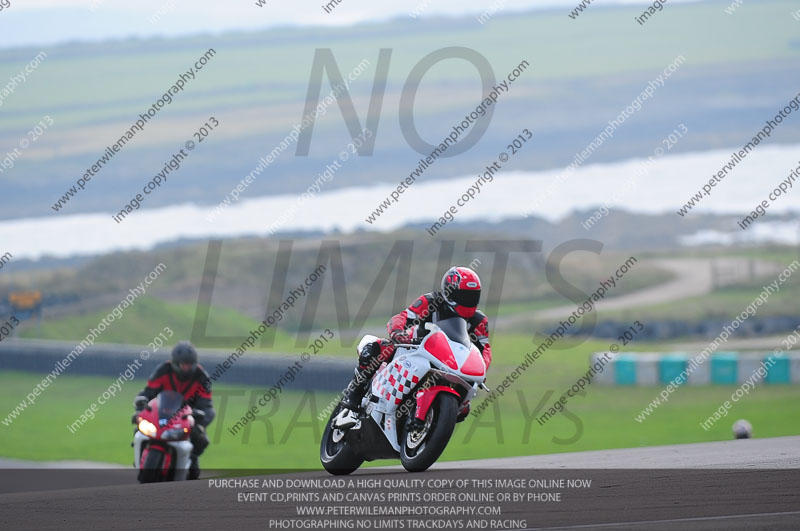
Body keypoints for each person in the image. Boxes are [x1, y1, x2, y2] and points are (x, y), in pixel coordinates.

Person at [339, 266, 492, 424]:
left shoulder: (479, 320)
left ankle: (427, 421)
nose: (468, 301)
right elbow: (403, 317)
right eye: (464, 296)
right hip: (415, 349)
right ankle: (353, 394)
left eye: (472, 296)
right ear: (450, 292)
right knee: (375, 348)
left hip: (451, 363)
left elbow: (484, 350)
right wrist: (397, 332)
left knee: (464, 409)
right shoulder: (432, 301)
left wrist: (482, 369)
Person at [133, 340, 215, 479]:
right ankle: (140, 460)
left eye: (190, 365)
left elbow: (207, 406)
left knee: (200, 439)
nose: (187, 368)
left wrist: (200, 419)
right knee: (139, 426)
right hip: (162, 412)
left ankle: (192, 460)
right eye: (183, 365)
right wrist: (142, 403)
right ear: (175, 363)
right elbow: (149, 392)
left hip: (188, 417)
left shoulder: (202, 378)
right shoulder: (163, 370)